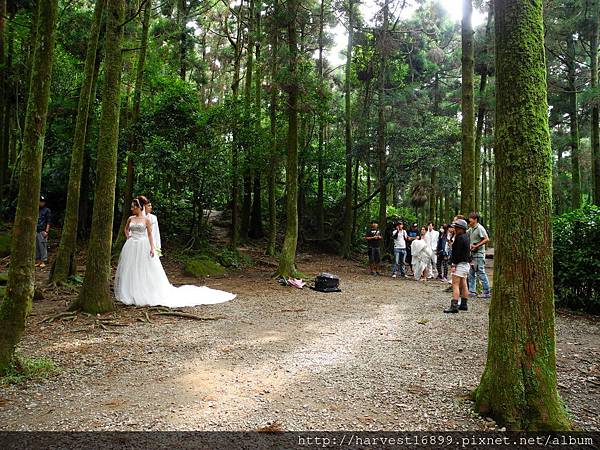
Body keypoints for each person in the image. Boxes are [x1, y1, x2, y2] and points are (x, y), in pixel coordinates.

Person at [114, 197, 235, 307]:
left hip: (143, 245)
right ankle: (131, 291)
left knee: (144, 268)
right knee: (131, 268)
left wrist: (152, 247)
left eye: (132, 206)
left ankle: (143, 292)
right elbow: (126, 229)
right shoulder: (131, 218)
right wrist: (128, 237)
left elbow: (151, 235)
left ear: (138, 207)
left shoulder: (147, 220)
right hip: (131, 245)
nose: (131, 209)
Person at [444, 219, 471, 313]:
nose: (454, 228)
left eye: (455, 227)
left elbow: (457, 253)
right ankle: (464, 304)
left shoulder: (459, 238)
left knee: (455, 284)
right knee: (464, 284)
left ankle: (454, 306)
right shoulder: (466, 236)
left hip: (459, 264)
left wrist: (453, 264)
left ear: (460, 228)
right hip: (465, 264)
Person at [467, 212, 491, 298]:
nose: (469, 221)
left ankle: (486, 291)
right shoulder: (471, 229)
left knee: (481, 272)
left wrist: (476, 246)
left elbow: (486, 239)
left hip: (479, 254)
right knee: (471, 273)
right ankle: (472, 291)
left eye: (471, 219)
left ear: (475, 219)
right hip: (472, 254)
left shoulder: (480, 228)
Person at [36, 195, 51, 268]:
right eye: (40, 201)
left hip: (43, 231)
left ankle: (43, 261)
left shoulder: (47, 210)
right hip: (36, 230)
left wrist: (46, 231)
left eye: (42, 202)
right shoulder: (36, 210)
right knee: (37, 247)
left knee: (43, 246)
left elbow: (48, 221)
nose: (41, 203)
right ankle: (38, 261)